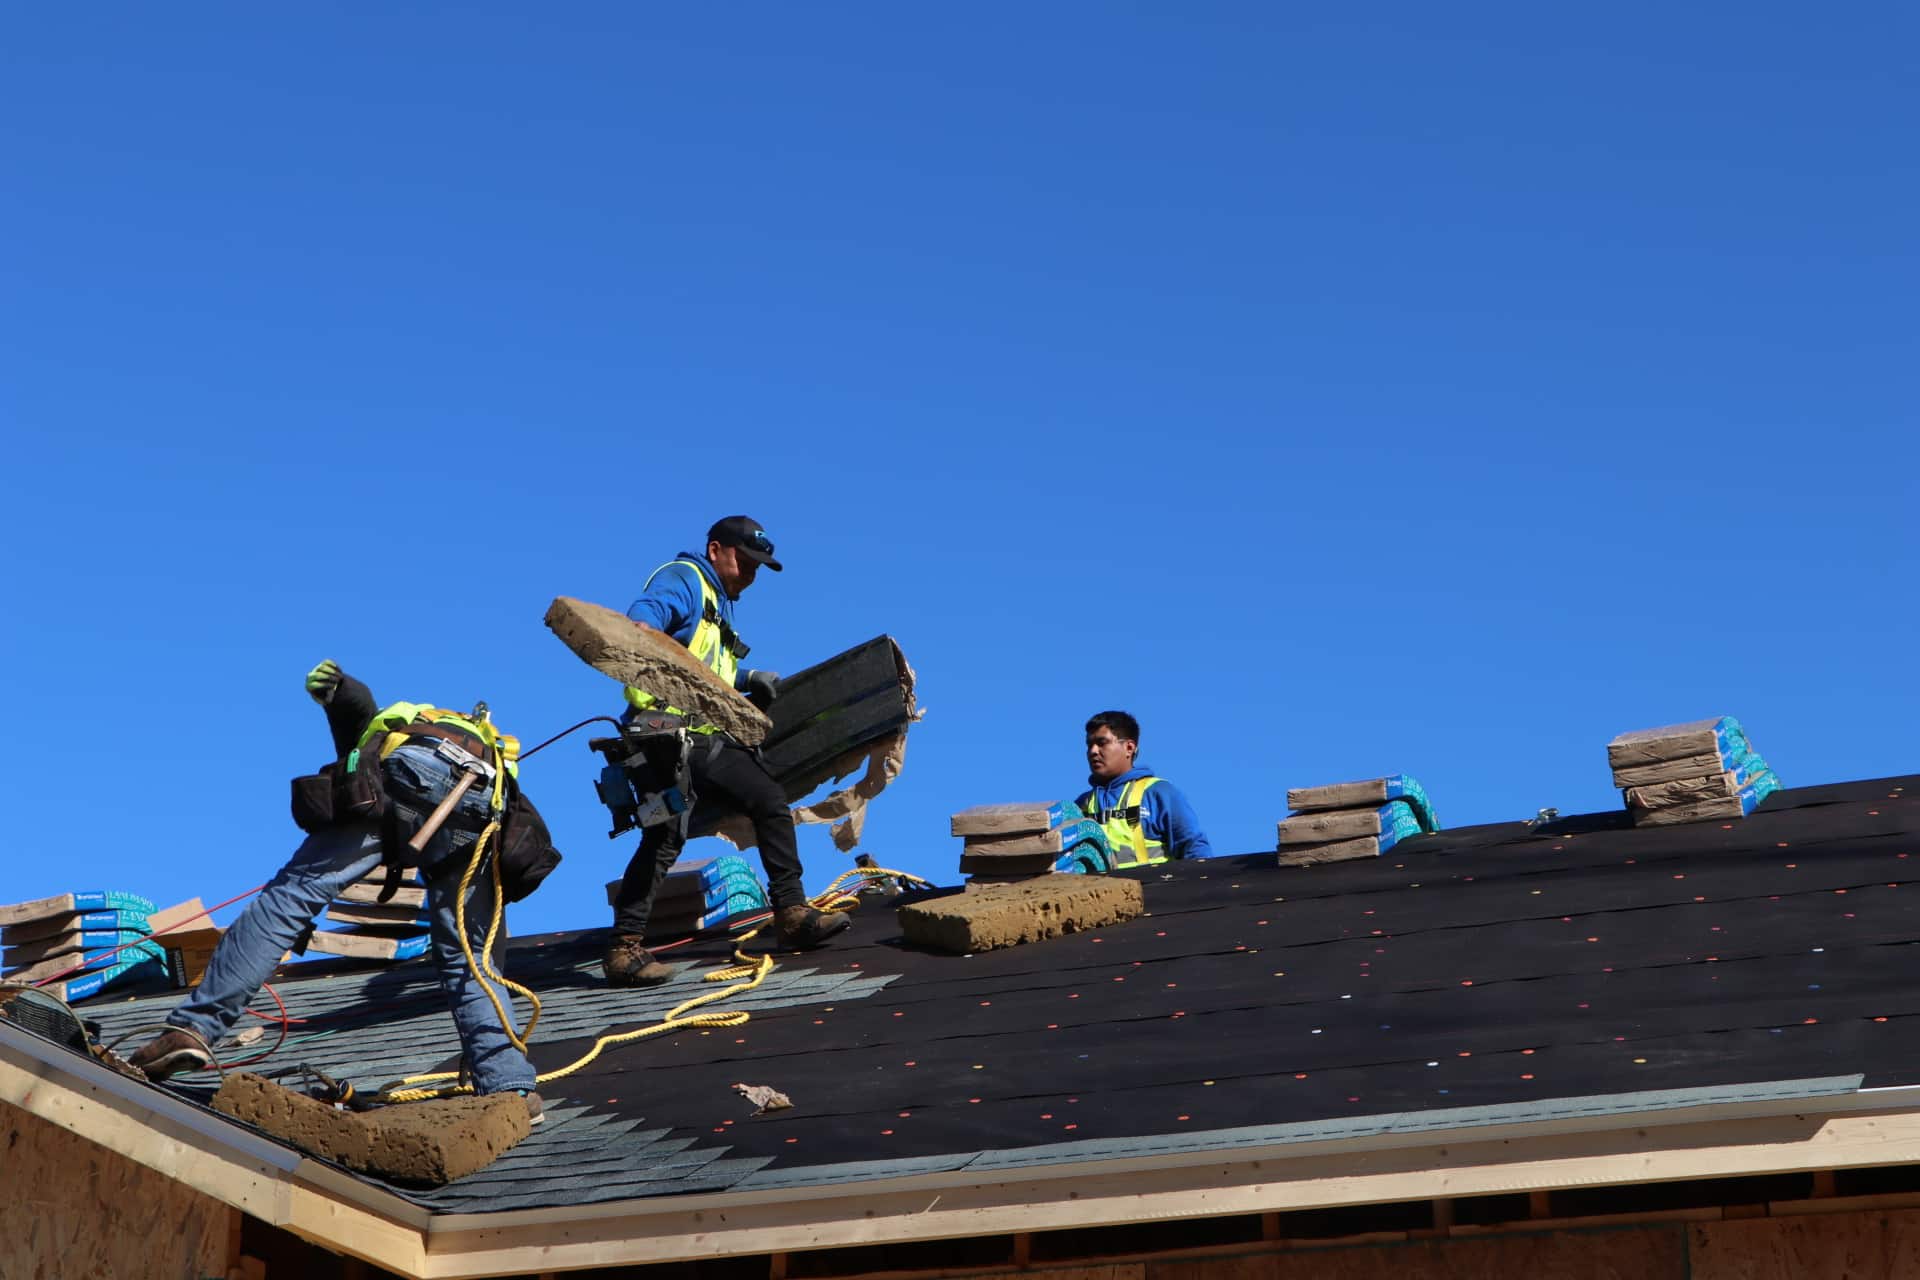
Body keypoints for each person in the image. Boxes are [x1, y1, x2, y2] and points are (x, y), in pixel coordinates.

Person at [130, 662, 555, 1121]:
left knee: (289, 899)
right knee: (472, 958)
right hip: (483, 806)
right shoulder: (489, 744)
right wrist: (341, 693)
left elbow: (357, 735)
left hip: (414, 772)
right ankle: (508, 1086)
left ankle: (193, 1029)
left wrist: (340, 693)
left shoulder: (399, 724)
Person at [604, 516, 849, 987]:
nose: (751, 574)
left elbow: (703, 665)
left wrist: (743, 680)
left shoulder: (717, 601)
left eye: (758, 567)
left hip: (688, 736)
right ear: (716, 549)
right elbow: (641, 625)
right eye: (746, 561)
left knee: (665, 837)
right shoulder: (685, 579)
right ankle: (791, 915)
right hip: (668, 734)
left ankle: (622, 949)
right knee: (763, 803)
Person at [1077, 710, 1213, 867]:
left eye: (1102, 743)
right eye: (1089, 745)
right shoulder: (1081, 805)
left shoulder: (1159, 793)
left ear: (1129, 747)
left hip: (1152, 890)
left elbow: (1194, 848)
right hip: (1095, 891)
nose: (1093, 751)